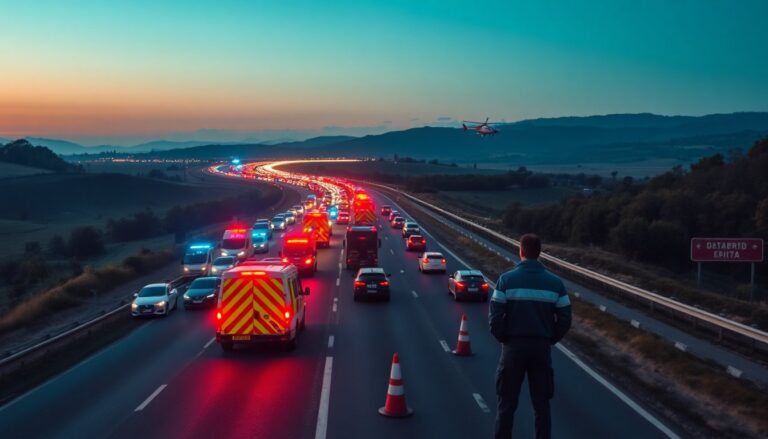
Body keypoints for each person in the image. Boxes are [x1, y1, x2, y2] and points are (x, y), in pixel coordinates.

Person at [489, 233, 572, 439]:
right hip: (541, 349)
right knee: (542, 405)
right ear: (539, 253)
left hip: (513, 349)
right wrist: (550, 338)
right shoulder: (555, 283)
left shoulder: (506, 280)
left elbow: (495, 316)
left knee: (506, 405)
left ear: (521, 252)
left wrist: (504, 338)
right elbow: (565, 318)